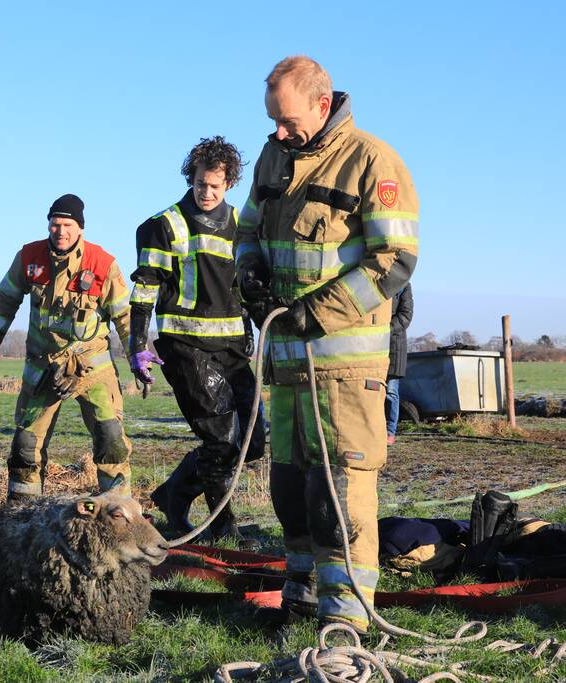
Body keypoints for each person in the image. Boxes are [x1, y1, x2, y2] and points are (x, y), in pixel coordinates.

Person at [235, 56, 419, 633]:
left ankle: (345, 619)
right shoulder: (273, 156)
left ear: (322, 104)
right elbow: (247, 230)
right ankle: (303, 589)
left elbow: (394, 261)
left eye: (288, 121)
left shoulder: (371, 160)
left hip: (345, 366)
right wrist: (252, 280)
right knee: (291, 485)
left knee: (339, 490)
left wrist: (314, 314)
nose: (280, 133)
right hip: (287, 364)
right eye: (273, 122)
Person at [128, 137, 265, 540]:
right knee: (222, 442)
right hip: (185, 347)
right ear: (192, 178)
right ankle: (221, 529)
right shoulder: (163, 226)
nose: (206, 193)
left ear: (229, 185)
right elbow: (145, 290)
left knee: (252, 442)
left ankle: (174, 494)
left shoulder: (242, 225)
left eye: (215, 186)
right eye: (201, 184)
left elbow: (244, 287)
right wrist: (138, 345)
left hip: (232, 349)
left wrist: (253, 329)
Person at [0, 194, 132, 500]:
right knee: (25, 448)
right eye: (55, 224)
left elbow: (125, 317)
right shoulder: (29, 257)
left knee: (111, 440)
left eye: (67, 224)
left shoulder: (103, 264)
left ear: (80, 229)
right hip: (43, 367)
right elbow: (5, 300)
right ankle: (20, 519)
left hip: (92, 369)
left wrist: (139, 359)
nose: (60, 231)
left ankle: (119, 518)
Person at [386, 283, 414, 445]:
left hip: (394, 346)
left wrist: (385, 329)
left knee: (390, 392)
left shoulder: (403, 286)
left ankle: (389, 431)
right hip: (372, 344)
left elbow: (406, 315)